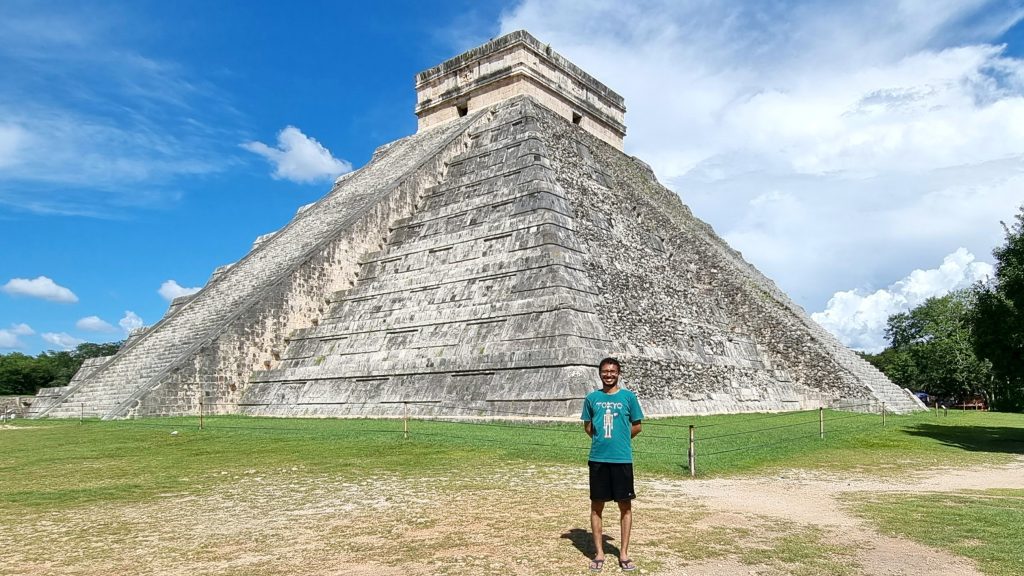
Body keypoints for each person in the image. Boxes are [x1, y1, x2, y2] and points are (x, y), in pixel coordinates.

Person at [581, 357, 644, 572]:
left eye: (613, 371)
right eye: (605, 371)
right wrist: (603, 442)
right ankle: (599, 553)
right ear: (600, 374)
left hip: (622, 460)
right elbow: (588, 427)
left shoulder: (629, 397)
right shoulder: (592, 398)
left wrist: (620, 441)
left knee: (625, 506)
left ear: (618, 373)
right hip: (598, 459)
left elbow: (637, 426)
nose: (609, 374)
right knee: (597, 505)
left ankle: (623, 553)